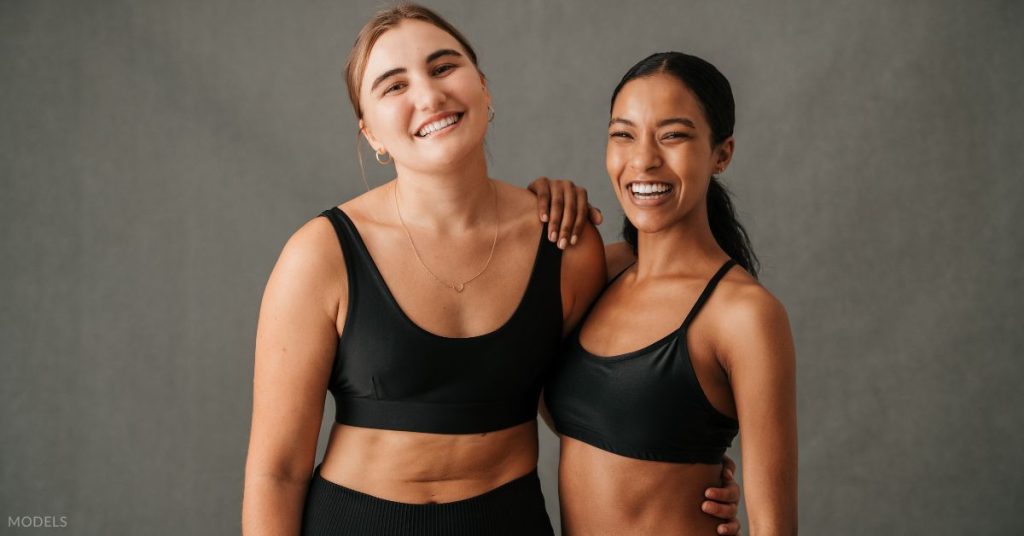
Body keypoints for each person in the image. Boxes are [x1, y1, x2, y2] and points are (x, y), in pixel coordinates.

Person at [241, 4, 742, 534]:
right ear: (371, 135)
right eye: (393, 85)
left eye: (442, 67)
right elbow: (276, 472)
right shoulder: (321, 255)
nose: (429, 96)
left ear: (483, 87)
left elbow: (592, 402)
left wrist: (682, 473)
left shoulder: (566, 244)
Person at [543, 52, 798, 535]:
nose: (643, 159)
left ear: (721, 153)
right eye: (624, 134)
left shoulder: (744, 315)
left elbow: (776, 529)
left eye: (673, 135)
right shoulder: (599, 271)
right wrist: (538, 202)